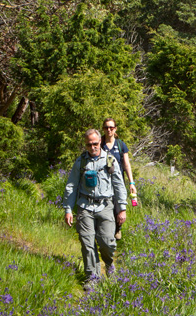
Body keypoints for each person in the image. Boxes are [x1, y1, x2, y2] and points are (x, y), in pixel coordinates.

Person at [62, 129, 127, 290]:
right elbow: (72, 185)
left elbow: (119, 184)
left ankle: (110, 265)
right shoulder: (81, 162)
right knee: (87, 242)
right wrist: (68, 209)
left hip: (106, 206)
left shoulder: (110, 160)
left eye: (96, 144)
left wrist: (122, 208)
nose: (93, 147)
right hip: (85, 207)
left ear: (100, 142)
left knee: (106, 242)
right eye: (89, 145)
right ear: (86, 145)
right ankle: (92, 277)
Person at [100, 117, 137, 240]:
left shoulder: (121, 145)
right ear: (103, 129)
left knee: (118, 206)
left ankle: (117, 228)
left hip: (117, 181)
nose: (109, 130)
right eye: (106, 127)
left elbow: (126, 164)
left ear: (115, 129)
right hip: (102, 182)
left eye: (111, 127)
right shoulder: (99, 144)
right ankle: (103, 231)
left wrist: (131, 182)